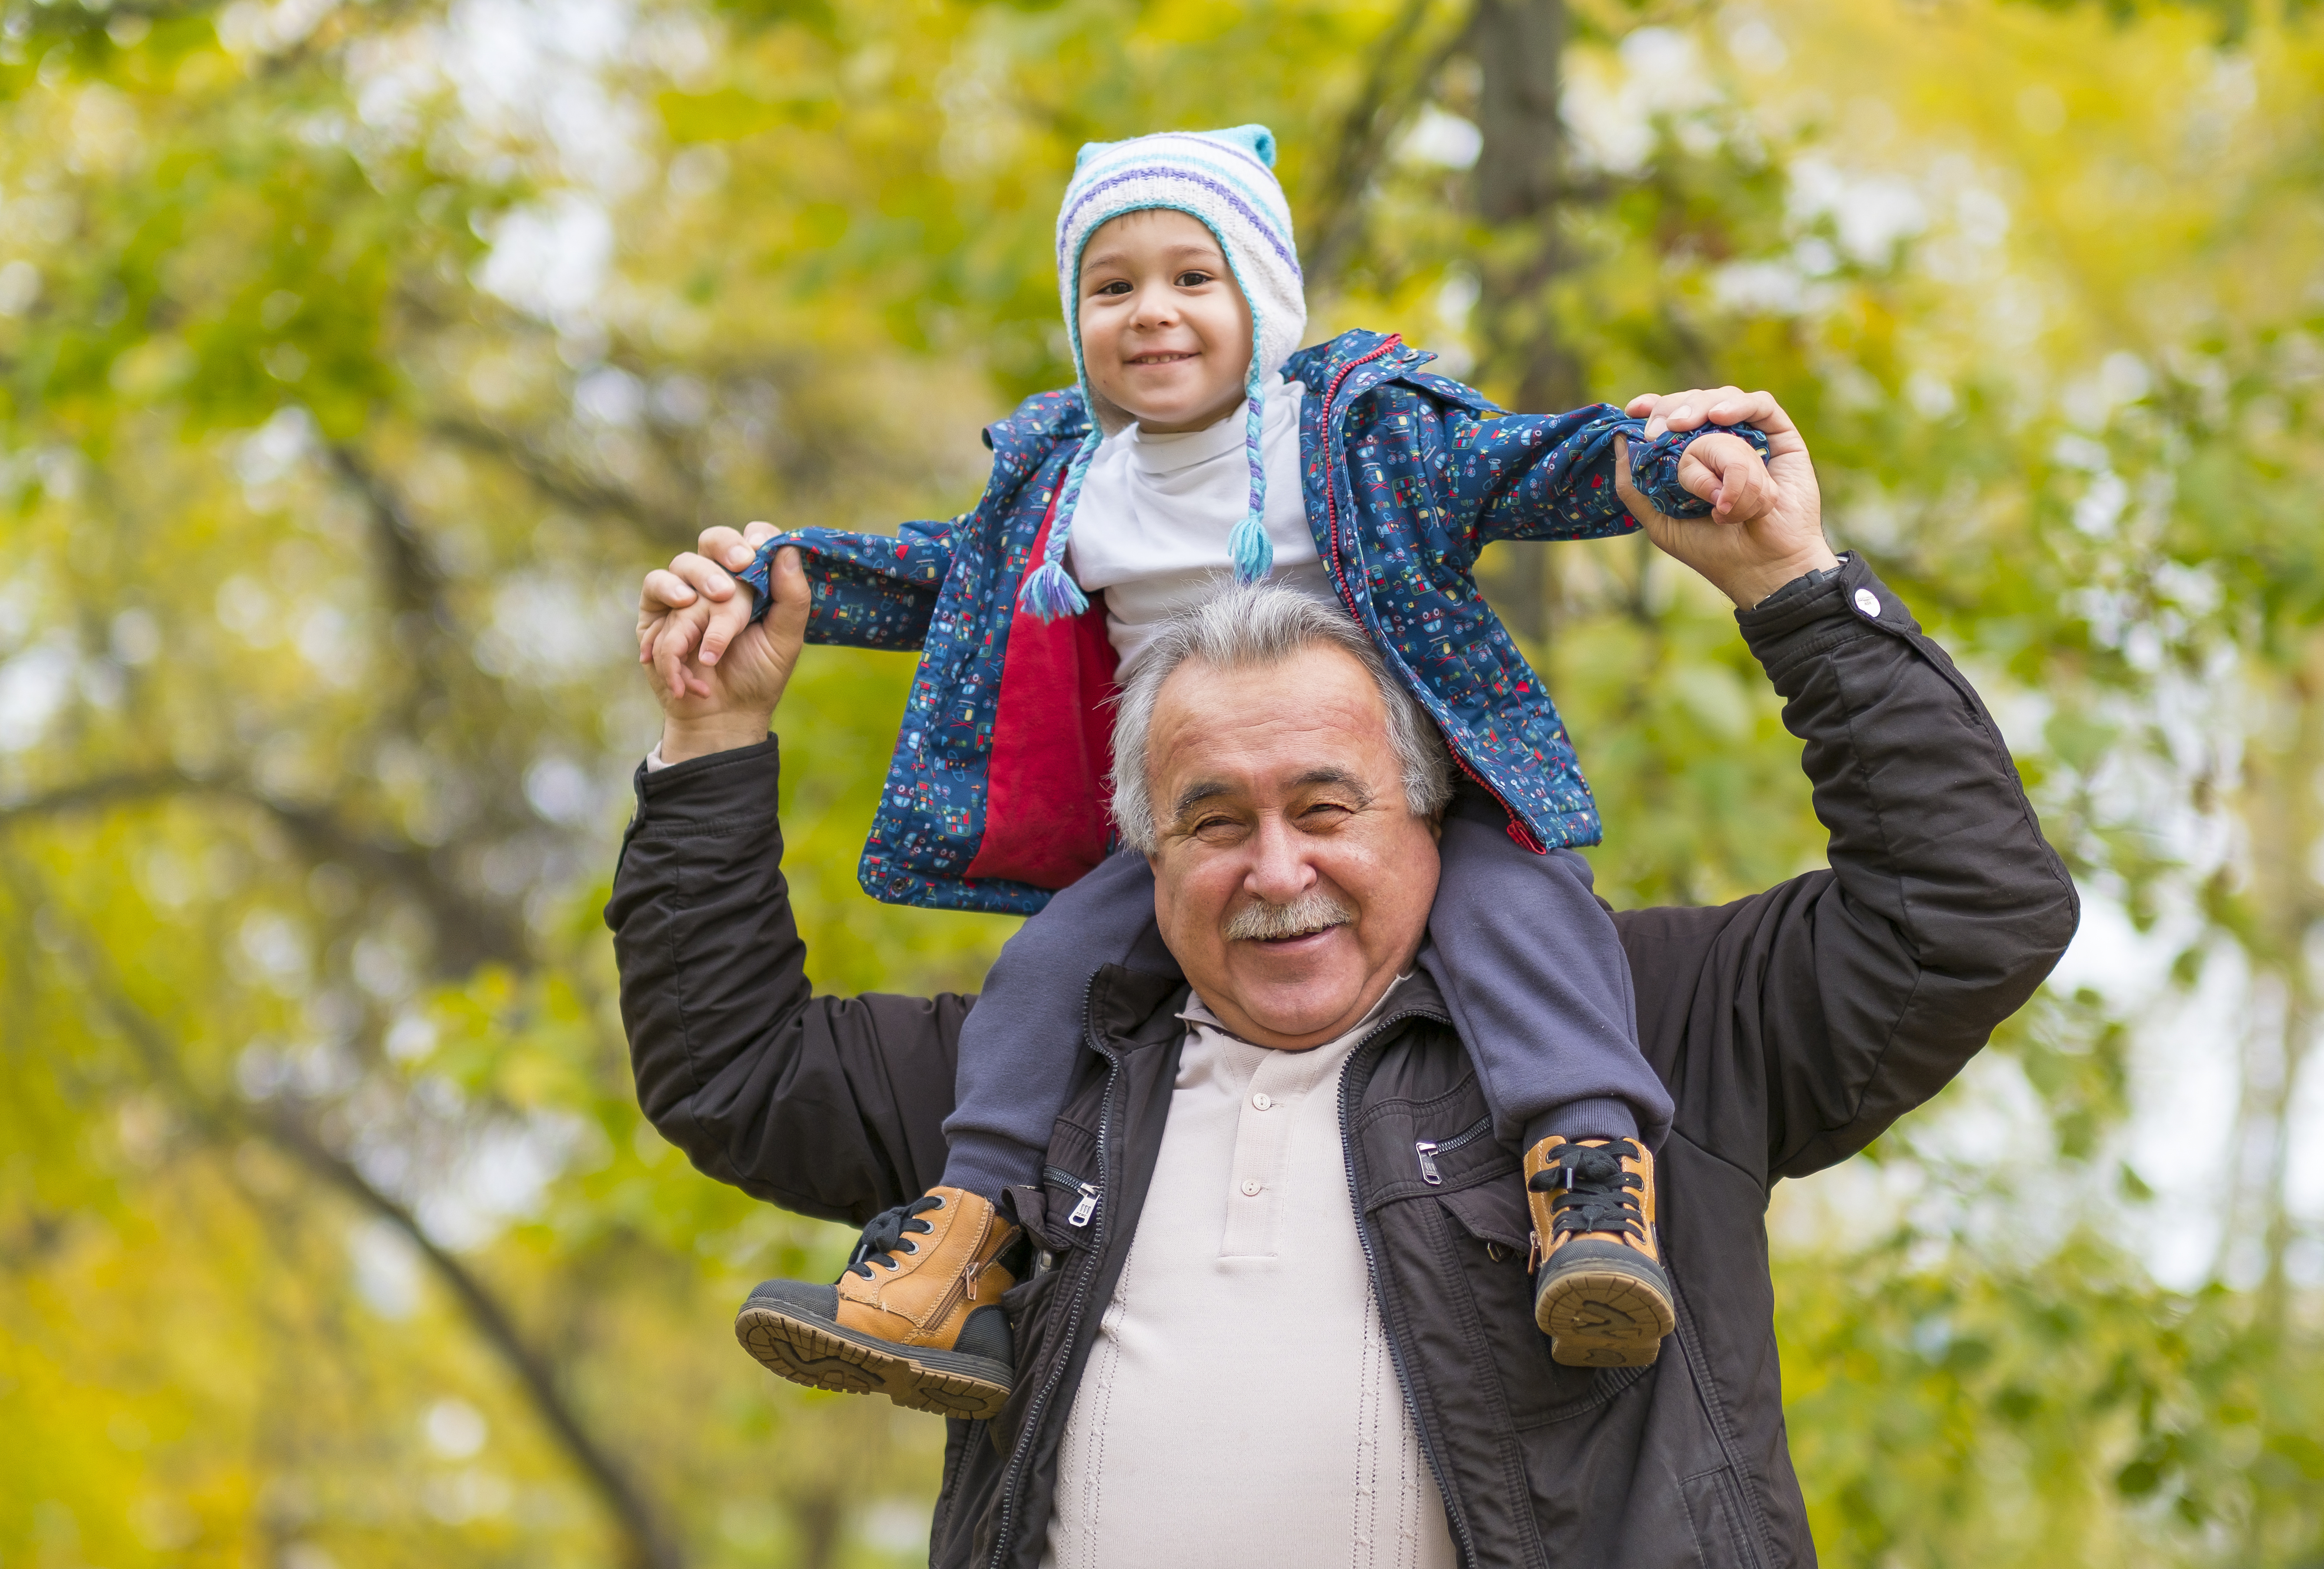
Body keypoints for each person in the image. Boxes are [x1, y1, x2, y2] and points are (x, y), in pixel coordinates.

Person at [605, 410, 2079, 1566]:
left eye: (1327, 809)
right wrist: (713, 742)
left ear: (1430, 810)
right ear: (1143, 852)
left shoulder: (1647, 1030)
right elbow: (734, 1074)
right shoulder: (1038, 1071)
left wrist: (1792, 590)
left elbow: (1967, 911)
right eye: (1213, 821)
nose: (1274, 869)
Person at [636, 125, 1785, 1405]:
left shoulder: (1352, 438)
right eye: (1111, 287)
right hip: (1196, 827)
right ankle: (968, 1237)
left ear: (1264, 300)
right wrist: (771, 580)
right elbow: (936, 582)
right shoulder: (1067, 488)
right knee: (1048, 970)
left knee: (1530, 917)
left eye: (1195, 278)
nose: (1152, 314)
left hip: (1394, 802)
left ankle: (1587, 1186)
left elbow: (1515, 466)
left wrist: (1660, 458)